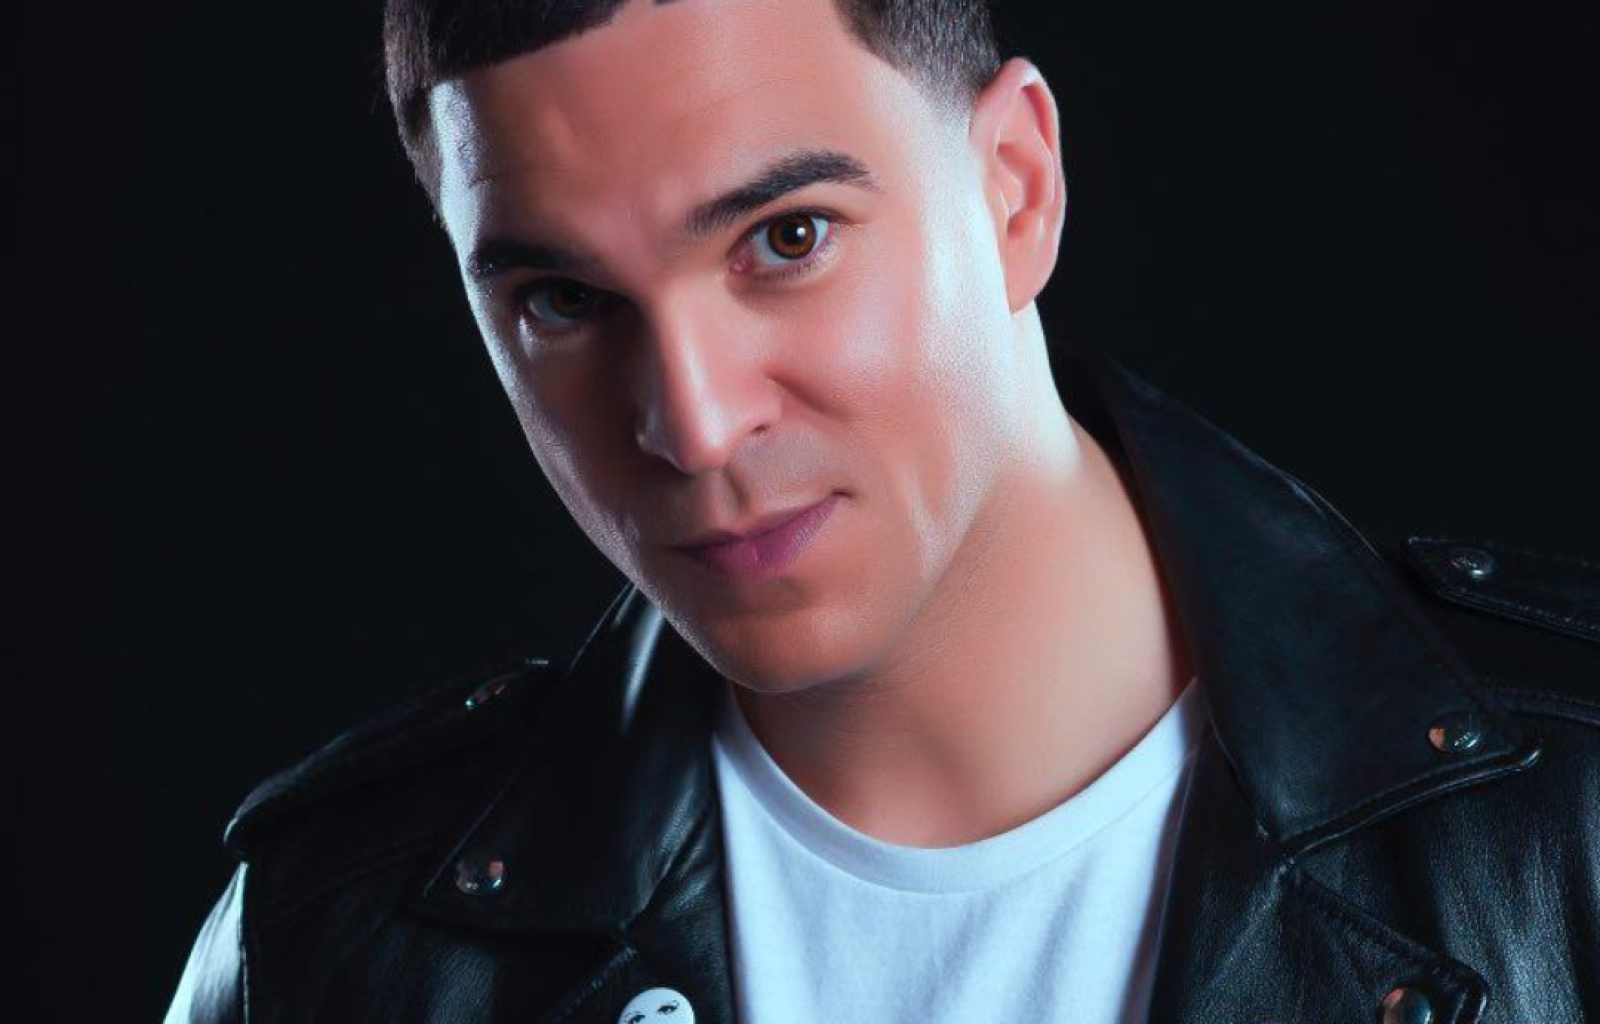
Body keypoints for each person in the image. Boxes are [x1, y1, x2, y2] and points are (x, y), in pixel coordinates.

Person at [163, 0, 1600, 1021]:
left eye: (785, 239)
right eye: (564, 300)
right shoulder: (325, 942)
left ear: (1015, 189)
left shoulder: (1568, 823)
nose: (692, 422)